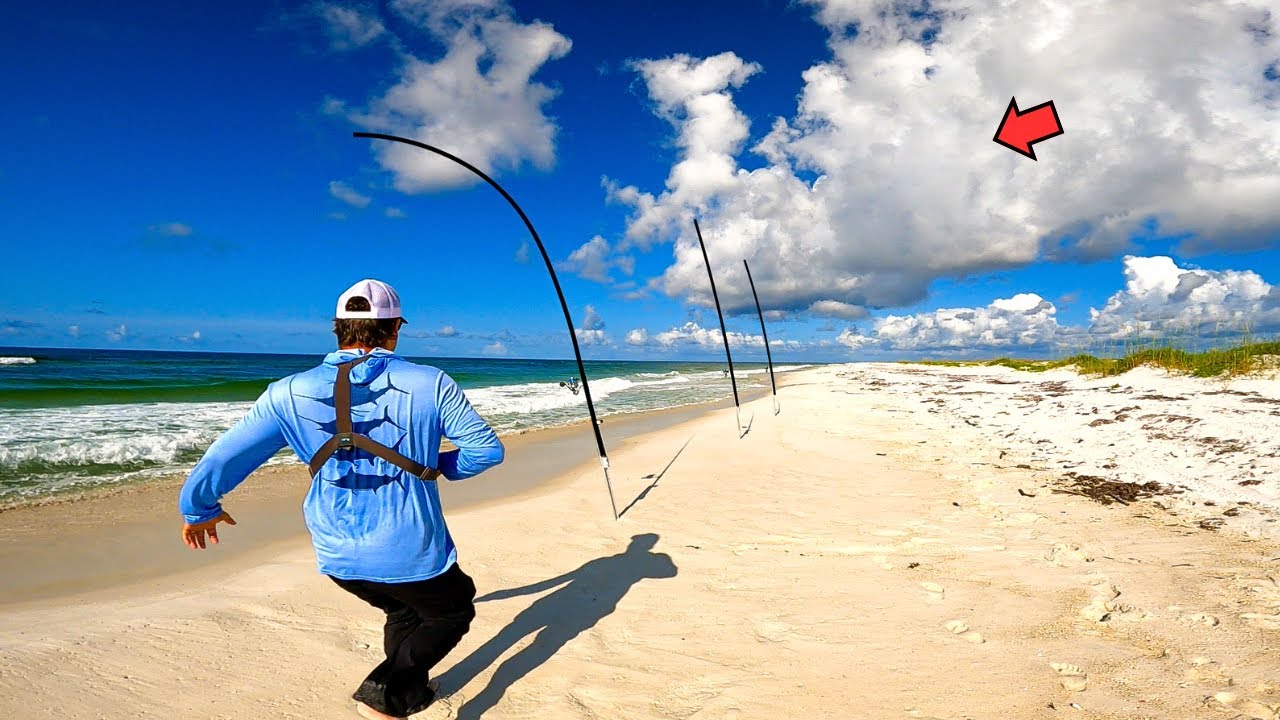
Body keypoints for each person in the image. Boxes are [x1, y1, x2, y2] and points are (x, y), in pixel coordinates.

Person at [178, 278, 504, 720]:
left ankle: (411, 694)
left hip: (337, 554)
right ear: (395, 328)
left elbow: (226, 456)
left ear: (338, 328)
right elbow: (486, 451)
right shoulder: (431, 383)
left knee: (404, 611)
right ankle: (386, 697)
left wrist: (199, 510)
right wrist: (438, 468)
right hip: (411, 550)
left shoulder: (286, 391)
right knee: (453, 609)